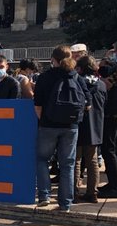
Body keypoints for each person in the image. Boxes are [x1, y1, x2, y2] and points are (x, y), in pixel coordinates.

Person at [34, 45, 91, 212]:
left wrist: (45, 119)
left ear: (53, 59)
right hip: (71, 127)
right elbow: (88, 104)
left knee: (42, 159)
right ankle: (65, 203)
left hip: (48, 125)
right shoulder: (78, 78)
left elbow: (37, 105)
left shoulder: (45, 77)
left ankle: (44, 195)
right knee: (68, 164)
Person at [74, 56, 107, 203]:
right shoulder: (101, 84)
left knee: (76, 160)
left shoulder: (77, 82)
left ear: (79, 69)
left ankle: (73, 191)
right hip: (96, 126)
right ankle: (92, 192)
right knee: (92, 161)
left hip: (79, 125)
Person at [99, 39, 117, 198]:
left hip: (115, 110)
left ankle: (115, 186)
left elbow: (108, 83)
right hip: (116, 109)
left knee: (109, 148)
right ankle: (115, 182)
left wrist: (96, 83)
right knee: (113, 148)